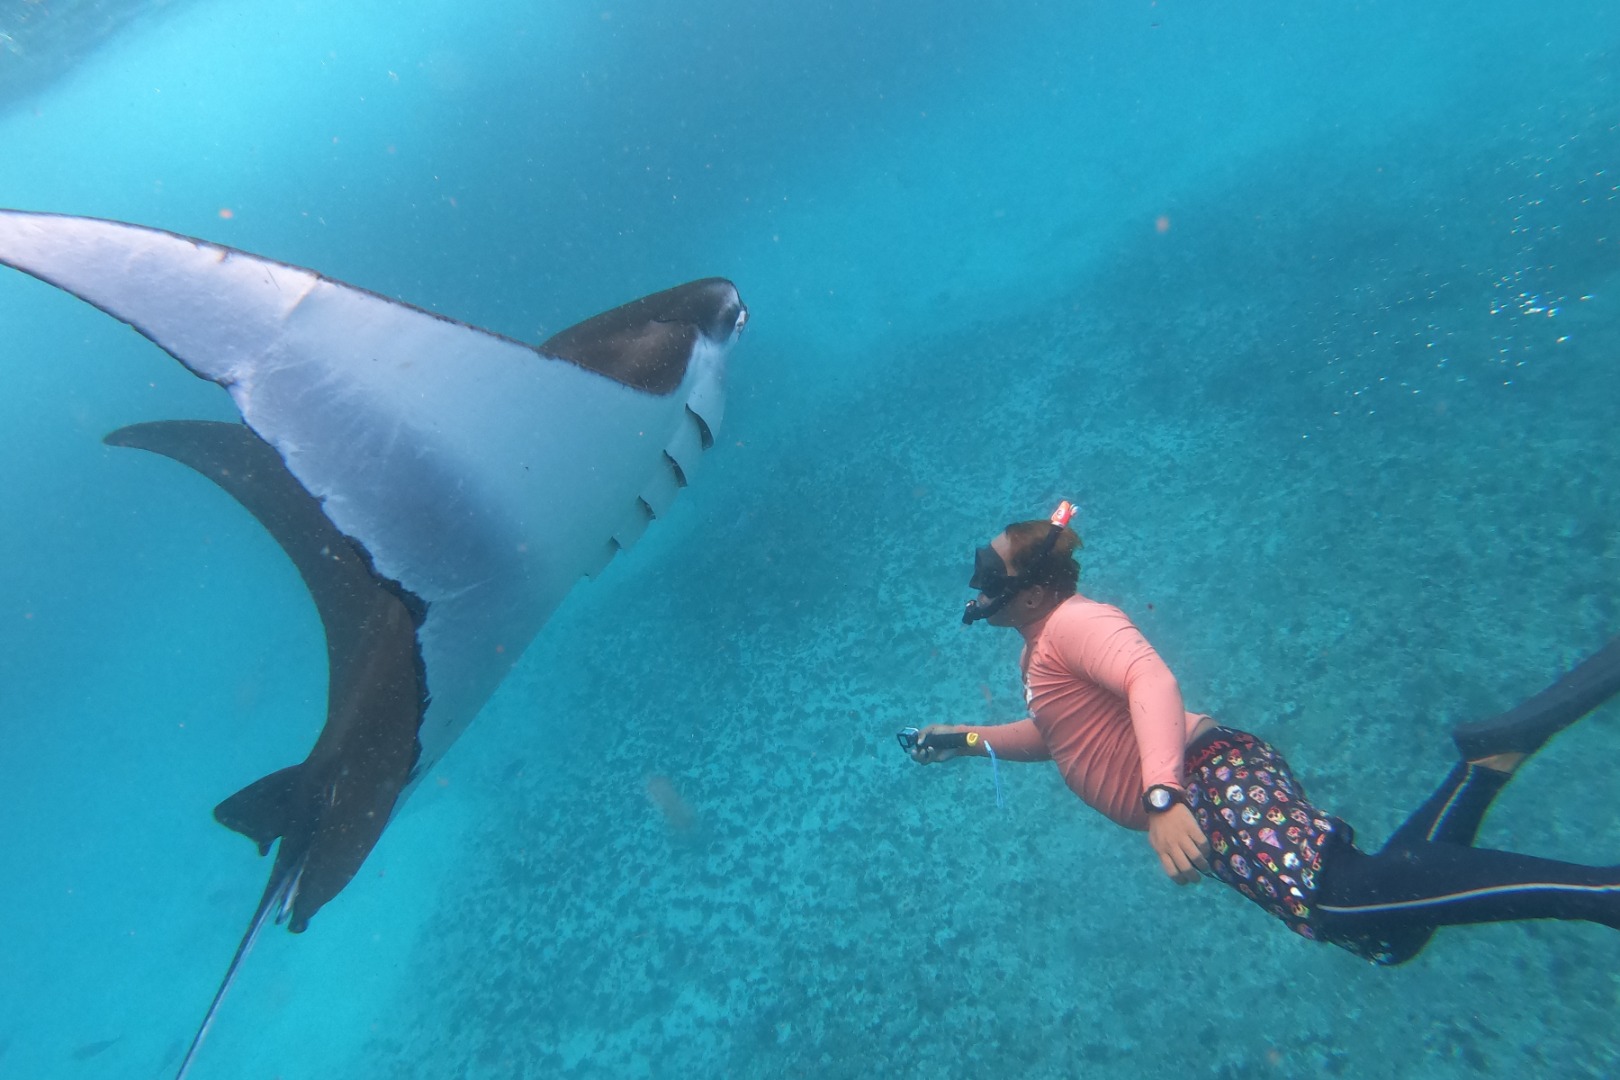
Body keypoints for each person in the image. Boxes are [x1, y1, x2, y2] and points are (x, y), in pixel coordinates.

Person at [907, 502, 1620, 964]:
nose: (975, 582)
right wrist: (967, 740)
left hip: (1204, 782)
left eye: (987, 570)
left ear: (1031, 592)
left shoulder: (1074, 624)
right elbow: (1059, 736)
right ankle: (1484, 766)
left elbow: (1150, 680)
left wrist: (1162, 799)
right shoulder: (1043, 645)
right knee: (1383, 931)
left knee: (1343, 898)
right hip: (1205, 788)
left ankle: (1600, 892)